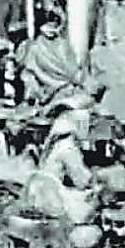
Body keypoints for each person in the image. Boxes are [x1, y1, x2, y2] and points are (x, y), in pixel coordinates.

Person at [23, 93, 100, 224]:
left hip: (38, 196)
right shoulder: (68, 148)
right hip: (54, 201)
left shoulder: (50, 145)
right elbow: (81, 180)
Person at [18, 13, 86, 104]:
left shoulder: (62, 44)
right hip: (48, 91)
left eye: (54, 23)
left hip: (68, 87)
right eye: (48, 23)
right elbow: (29, 71)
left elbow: (73, 69)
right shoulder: (35, 47)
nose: (51, 28)